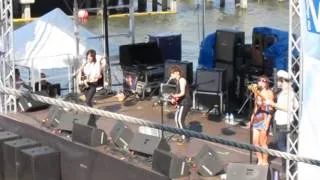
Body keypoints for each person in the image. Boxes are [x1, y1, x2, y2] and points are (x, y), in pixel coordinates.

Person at [266, 70, 298, 152]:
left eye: (281, 81)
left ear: (287, 82)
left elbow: (288, 108)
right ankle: (287, 163)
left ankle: (289, 162)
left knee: (281, 144)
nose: (279, 83)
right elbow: (296, 105)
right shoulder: (283, 92)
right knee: (283, 143)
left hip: (285, 121)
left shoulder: (289, 93)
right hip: (281, 121)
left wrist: (273, 104)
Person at [247, 75, 274, 166]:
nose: (262, 82)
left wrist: (267, 122)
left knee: (263, 142)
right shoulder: (256, 92)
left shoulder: (269, 93)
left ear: (267, 83)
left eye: (264, 81)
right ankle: (260, 159)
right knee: (255, 142)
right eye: (260, 81)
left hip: (264, 118)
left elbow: (271, 110)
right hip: (257, 118)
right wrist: (251, 120)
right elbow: (255, 107)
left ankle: (265, 161)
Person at [169, 65, 192, 143]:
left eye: (172, 73)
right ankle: (180, 135)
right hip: (181, 102)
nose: (171, 75)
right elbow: (178, 93)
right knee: (176, 119)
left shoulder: (182, 80)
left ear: (177, 73)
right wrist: (174, 99)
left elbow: (182, 93)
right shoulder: (178, 81)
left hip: (185, 102)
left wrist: (175, 96)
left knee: (180, 120)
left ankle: (185, 137)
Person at [79, 49, 101, 126]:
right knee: (88, 102)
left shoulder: (96, 64)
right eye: (88, 56)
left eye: (91, 56)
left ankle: (92, 115)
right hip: (86, 85)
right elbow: (84, 73)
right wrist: (83, 66)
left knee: (88, 100)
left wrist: (98, 76)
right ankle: (92, 115)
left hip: (93, 85)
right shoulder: (86, 64)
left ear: (93, 57)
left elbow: (98, 73)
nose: (89, 57)